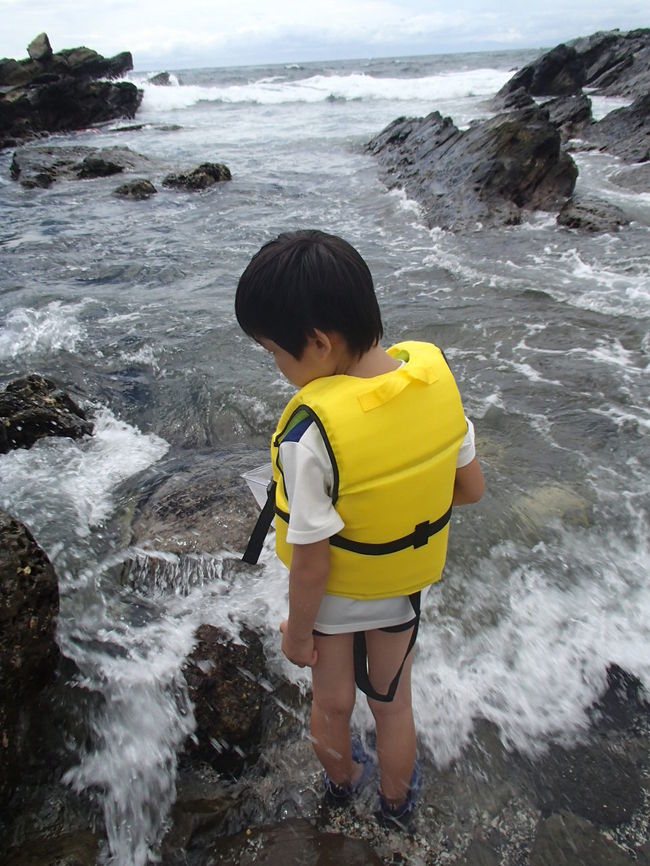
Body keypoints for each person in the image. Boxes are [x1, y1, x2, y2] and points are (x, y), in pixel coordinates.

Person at [235, 229, 484, 827]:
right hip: (398, 593)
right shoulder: (432, 383)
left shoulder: (311, 433)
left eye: (274, 351)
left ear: (318, 344)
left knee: (333, 703)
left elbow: (314, 562)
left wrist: (297, 635)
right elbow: (471, 489)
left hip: (334, 605)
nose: (276, 366)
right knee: (394, 705)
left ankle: (343, 787)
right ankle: (397, 808)